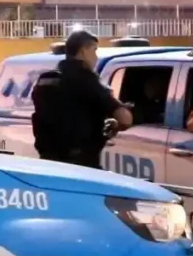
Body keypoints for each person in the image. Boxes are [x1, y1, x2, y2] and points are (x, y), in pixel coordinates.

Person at [30, 30, 133, 168]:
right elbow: (125, 118)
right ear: (83, 51)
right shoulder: (86, 80)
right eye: (94, 50)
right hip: (81, 164)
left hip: (49, 162)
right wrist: (117, 123)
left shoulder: (46, 79)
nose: (96, 57)